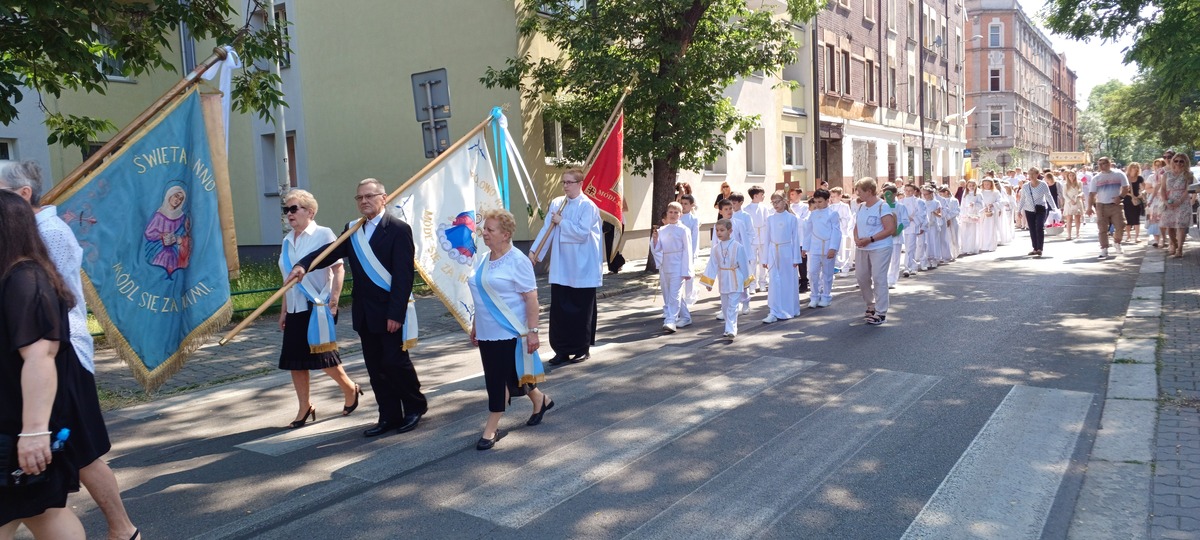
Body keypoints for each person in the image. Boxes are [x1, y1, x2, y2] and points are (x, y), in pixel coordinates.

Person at [0, 161, 136, 540]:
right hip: (36, 359)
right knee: (46, 495)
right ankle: (124, 530)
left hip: (62, 352)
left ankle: (123, 529)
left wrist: (34, 431)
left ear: (21, 196)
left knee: (80, 450)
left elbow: (51, 303)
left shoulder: (45, 243)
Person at [288, 178, 427, 437]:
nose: (364, 201)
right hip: (365, 312)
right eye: (360, 197)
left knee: (396, 363)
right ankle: (388, 415)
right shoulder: (353, 229)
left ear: (383, 198)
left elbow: (403, 276)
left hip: (389, 312)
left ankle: (414, 406)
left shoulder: (398, 229)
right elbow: (330, 252)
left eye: (369, 196)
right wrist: (303, 265)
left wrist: (396, 313)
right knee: (376, 368)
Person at [0, 190, 96, 540]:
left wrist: (34, 432)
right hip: (15, 426)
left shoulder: (27, 280)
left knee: (38, 511)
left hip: (17, 428)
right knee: (44, 513)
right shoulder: (16, 277)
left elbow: (41, 355)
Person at [276, 189, 361, 429]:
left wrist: (334, 300)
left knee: (324, 358)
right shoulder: (287, 240)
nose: (289, 214)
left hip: (317, 307)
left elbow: (338, 268)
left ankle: (350, 388)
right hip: (295, 307)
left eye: (294, 208)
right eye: (286, 209)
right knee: (295, 361)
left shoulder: (323, 234)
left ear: (310, 212)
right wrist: (284, 310)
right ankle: (305, 406)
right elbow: (287, 280)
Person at [468, 210, 552, 451]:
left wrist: (533, 331)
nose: (484, 233)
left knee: (498, 381)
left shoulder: (518, 260)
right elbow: (481, 295)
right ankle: (541, 400)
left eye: (490, 229)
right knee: (514, 375)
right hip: (486, 331)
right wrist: (475, 324)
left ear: (505, 234)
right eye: (484, 229)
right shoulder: (483, 259)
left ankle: (491, 427)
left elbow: (531, 299)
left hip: (509, 332)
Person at [530, 168, 604, 365]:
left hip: (582, 265)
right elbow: (547, 229)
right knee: (560, 311)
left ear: (580, 184)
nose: (565, 186)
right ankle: (561, 350)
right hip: (562, 264)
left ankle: (581, 349)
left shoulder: (588, 206)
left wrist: (562, 222)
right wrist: (535, 252)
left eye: (569, 182)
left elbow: (582, 233)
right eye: (563, 182)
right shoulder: (557, 203)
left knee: (581, 310)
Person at [853, 179, 897, 326]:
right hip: (862, 247)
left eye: (860, 191)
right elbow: (857, 226)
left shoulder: (882, 207)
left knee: (878, 278)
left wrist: (870, 239)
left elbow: (890, 229)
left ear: (869, 191)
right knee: (861, 277)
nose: (857, 193)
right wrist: (857, 238)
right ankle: (870, 305)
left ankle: (881, 312)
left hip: (880, 247)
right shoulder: (861, 206)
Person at [700, 219, 751, 339]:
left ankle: (731, 329)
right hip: (723, 279)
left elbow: (744, 265)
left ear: (730, 231)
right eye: (717, 230)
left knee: (733, 306)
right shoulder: (716, 248)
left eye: (722, 230)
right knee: (725, 306)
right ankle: (729, 327)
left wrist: (746, 282)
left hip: (735, 278)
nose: (719, 233)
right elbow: (712, 265)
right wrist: (709, 282)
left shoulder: (738, 247)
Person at [651, 202, 694, 333]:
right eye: (671, 212)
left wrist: (687, 270)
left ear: (680, 215)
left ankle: (671, 320)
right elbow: (657, 249)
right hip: (666, 265)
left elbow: (688, 250)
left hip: (678, 265)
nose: (673, 215)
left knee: (674, 294)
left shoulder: (684, 230)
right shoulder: (662, 230)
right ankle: (685, 317)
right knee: (671, 293)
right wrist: (655, 240)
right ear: (667, 213)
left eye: (676, 213)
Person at [761, 191, 801, 323]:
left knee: (787, 281)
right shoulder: (770, 219)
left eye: (777, 202)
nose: (775, 205)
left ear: (785, 201)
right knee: (774, 281)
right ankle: (773, 311)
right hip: (773, 252)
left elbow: (795, 239)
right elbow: (767, 239)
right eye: (773, 202)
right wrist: (765, 258)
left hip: (787, 252)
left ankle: (790, 308)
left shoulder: (792, 218)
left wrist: (796, 258)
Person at [1086, 157, 1131, 259]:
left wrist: (1120, 197)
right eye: (1100, 164)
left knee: (1121, 225)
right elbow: (1092, 194)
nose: (1102, 166)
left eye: (1104, 163)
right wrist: (1089, 207)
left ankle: (1117, 242)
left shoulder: (1119, 174)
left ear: (1109, 163)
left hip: (1116, 205)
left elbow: (1126, 187)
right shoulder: (1096, 178)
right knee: (1102, 228)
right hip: (1101, 205)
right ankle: (1104, 248)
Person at [804, 190, 840, 308]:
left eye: (820, 202)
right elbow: (808, 231)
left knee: (827, 274)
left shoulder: (833, 214)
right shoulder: (813, 214)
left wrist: (833, 248)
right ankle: (814, 296)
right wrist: (805, 247)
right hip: (814, 248)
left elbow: (836, 231)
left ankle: (826, 296)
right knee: (812, 272)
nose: (817, 204)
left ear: (827, 200)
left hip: (828, 247)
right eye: (816, 202)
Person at [1158, 154, 1195, 258]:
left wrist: (1179, 201)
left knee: (1181, 226)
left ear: (1185, 162)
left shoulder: (1189, 174)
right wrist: (1165, 201)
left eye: (1181, 161)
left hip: (1183, 202)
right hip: (1169, 201)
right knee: (1169, 226)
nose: (1178, 163)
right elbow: (1163, 189)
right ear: (1173, 161)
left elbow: (1188, 190)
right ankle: (1174, 245)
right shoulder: (1166, 174)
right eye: (1176, 160)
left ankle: (1180, 249)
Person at [729, 192, 757, 314]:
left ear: (740, 203)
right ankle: (733, 304)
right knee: (732, 278)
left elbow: (750, 233)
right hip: (729, 252)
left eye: (734, 203)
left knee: (742, 277)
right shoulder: (728, 217)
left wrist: (745, 248)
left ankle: (745, 301)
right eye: (730, 203)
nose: (732, 206)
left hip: (741, 251)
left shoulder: (745, 216)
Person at [1020, 168, 1057, 258]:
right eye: (1030, 174)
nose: (1031, 176)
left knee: (1039, 227)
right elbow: (1023, 199)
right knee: (1032, 229)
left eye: (1033, 174)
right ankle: (1035, 248)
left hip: (1041, 208)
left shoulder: (1043, 184)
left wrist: (1054, 208)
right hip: (1029, 209)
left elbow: (1048, 196)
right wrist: (1019, 210)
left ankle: (1040, 248)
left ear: (1037, 174)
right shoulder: (1025, 186)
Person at [744, 186, 772, 292]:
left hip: (763, 237)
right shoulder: (746, 209)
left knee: (763, 262)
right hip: (752, 239)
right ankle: (752, 284)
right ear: (755, 196)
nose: (763, 196)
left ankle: (762, 282)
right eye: (761, 195)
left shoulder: (764, 208)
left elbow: (768, 222)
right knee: (752, 262)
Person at [678, 194, 701, 309]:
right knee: (679, 274)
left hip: (689, 250)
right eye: (681, 203)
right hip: (678, 250)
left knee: (689, 274)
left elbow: (695, 237)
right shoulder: (678, 217)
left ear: (691, 205)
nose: (683, 206)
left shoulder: (694, 219)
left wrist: (693, 252)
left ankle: (689, 296)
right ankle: (682, 296)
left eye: (686, 204)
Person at [883, 184, 907, 288]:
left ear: (894, 194)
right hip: (883, 237)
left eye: (889, 194)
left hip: (896, 237)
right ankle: (882, 280)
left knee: (895, 259)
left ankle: (892, 280)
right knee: (883, 260)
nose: (887, 196)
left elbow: (905, 221)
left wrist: (897, 231)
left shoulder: (901, 207)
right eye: (885, 194)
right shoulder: (882, 206)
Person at [828, 187, 854, 274]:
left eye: (834, 196)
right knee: (834, 250)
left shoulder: (845, 206)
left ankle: (844, 269)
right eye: (831, 196)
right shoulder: (830, 207)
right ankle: (835, 268)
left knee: (843, 251)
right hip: (832, 232)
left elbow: (849, 218)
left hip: (842, 231)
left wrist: (841, 219)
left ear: (840, 196)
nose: (832, 198)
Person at [1122, 163, 1145, 244]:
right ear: (1130, 168)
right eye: (1133, 167)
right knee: (1128, 218)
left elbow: (1144, 187)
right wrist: (1131, 195)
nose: (1135, 169)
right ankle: (1128, 236)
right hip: (1127, 199)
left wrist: (1142, 194)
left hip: (1137, 200)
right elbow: (1122, 189)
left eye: (1136, 167)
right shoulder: (1125, 177)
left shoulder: (1139, 178)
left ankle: (1137, 236)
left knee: (1136, 218)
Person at [978, 179, 1002, 252]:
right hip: (983, 211)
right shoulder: (980, 192)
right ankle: (983, 245)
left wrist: (993, 204)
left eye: (988, 184)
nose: (986, 186)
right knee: (982, 228)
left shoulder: (995, 192)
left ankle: (991, 245)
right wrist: (982, 206)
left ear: (991, 184)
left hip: (992, 211)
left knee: (991, 228)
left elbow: (1000, 201)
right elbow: (978, 201)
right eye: (985, 184)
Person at [959, 180, 982, 256]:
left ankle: (971, 248)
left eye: (973, 185)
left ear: (976, 186)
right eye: (970, 186)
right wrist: (962, 213)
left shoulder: (978, 194)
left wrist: (974, 204)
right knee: (965, 231)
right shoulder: (965, 194)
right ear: (967, 186)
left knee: (972, 232)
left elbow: (981, 205)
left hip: (974, 214)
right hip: (966, 214)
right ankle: (964, 248)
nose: (971, 187)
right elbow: (962, 204)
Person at [1062, 171, 1085, 241]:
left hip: (1077, 201)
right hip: (1069, 203)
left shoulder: (1079, 183)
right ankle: (1069, 235)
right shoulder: (1065, 184)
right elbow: (1064, 194)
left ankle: (1077, 233)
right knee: (1069, 219)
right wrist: (1070, 201)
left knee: (1077, 218)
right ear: (1068, 176)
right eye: (1070, 175)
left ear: (1075, 176)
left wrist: (1080, 195)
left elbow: (1082, 191)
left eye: (1073, 175)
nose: (1071, 177)